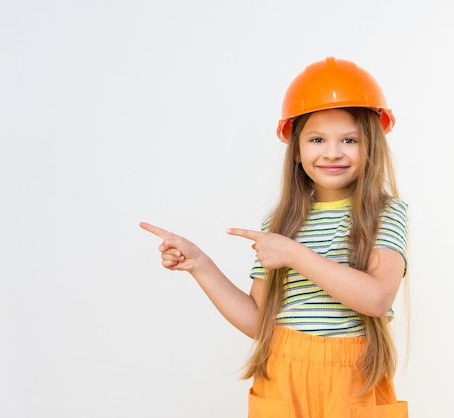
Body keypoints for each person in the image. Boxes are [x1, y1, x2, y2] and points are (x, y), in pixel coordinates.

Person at [140, 57, 409, 417]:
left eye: (349, 139)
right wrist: (200, 265)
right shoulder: (280, 223)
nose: (332, 151)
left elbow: (377, 298)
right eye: (317, 139)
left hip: (353, 380)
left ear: (371, 146)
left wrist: (295, 256)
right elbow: (257, 321)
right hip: (282, 374)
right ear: (296, 150)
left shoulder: (385, 213)